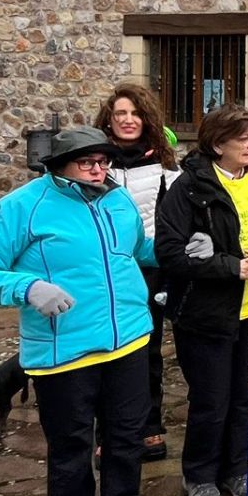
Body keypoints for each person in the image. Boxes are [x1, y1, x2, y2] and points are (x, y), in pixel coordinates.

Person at [0, 126, 165, 496]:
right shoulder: (23, 206)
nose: (99, 169)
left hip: (129, 340)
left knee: (126, 438)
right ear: (59, 164)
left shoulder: (117, 200)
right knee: (71, 449)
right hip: (62, 352)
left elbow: (135, 252)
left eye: (104, 161)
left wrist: (176, 251)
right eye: (87, 161)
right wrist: (27, 287)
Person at [154, 105, 248, 496]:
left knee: (246, 397)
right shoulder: (189, 187)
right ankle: (199, 473)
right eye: (245, 138)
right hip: (207, 314)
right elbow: (170, 252)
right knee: (211, 399)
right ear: (218, 144)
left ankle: (238, 468)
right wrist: (232, 267)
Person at [96, 81, 182, 459]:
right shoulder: (94, 162)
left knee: (146, 348)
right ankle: (107, 430)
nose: (127, 121)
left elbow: (173, 219)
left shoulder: (164, 165)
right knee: (102, 349)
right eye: (120, 114)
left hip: (148, 268)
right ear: (109, 120)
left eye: (134, 113)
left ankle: (149, 423)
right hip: (102, 269)